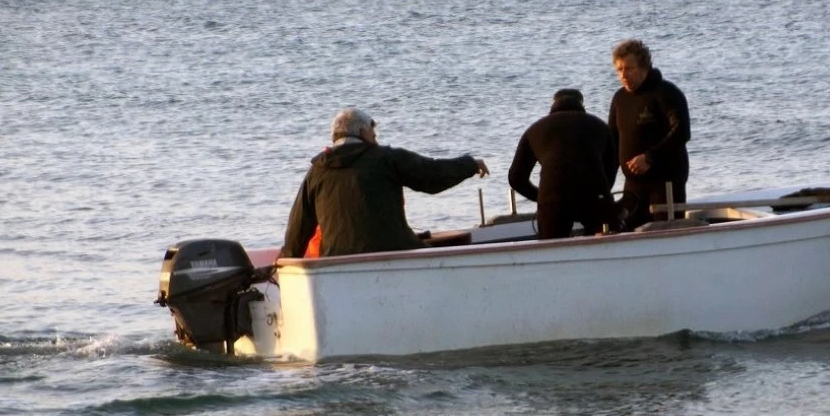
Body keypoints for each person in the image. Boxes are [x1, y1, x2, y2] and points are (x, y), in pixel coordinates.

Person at [278, 108, 489, 259]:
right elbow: (432, 176)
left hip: (336, 260)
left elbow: (299, 226)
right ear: (362, 133)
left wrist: (285, 262)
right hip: (393, 253)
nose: (376, 138)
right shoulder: (386, 158)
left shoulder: (317, 171)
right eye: (373, 133)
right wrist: (469, 164)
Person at [508, 88, 619, 239]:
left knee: (552, 253)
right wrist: (603, 191)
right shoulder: (599, 126)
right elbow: (612, 167)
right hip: (594, 196)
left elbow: (515, 178)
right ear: (582, 104)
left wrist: (540, 196)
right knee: (606, 248)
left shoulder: (535, 129)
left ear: (553, 104)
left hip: (553, 199)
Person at [607, 38, 691, 229]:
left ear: (644, 67)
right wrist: (604, 185)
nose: (623, 75)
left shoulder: (665, 93)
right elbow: (612, 141)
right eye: (619, 70)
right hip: (633, 183)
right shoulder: (620, 98)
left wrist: (650, 158)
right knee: (627, 231)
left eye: (629, 69)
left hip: (665, 180)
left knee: (665, 233)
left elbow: (682, 132)